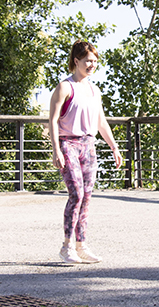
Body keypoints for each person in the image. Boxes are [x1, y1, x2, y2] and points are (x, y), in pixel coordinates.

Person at [49, 40, 122, 264]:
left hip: (88, 146)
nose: (92, 64)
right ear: (76, 61)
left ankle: (82, 245)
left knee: (87, 197)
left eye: (95, 61)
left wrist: (114, 146)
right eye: (88, 60)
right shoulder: (65, 87)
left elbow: (101, 122)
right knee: (76, 194)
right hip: (68, 144)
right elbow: (52, 119)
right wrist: (56, 151)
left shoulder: (93, 89)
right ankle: (66, 247)